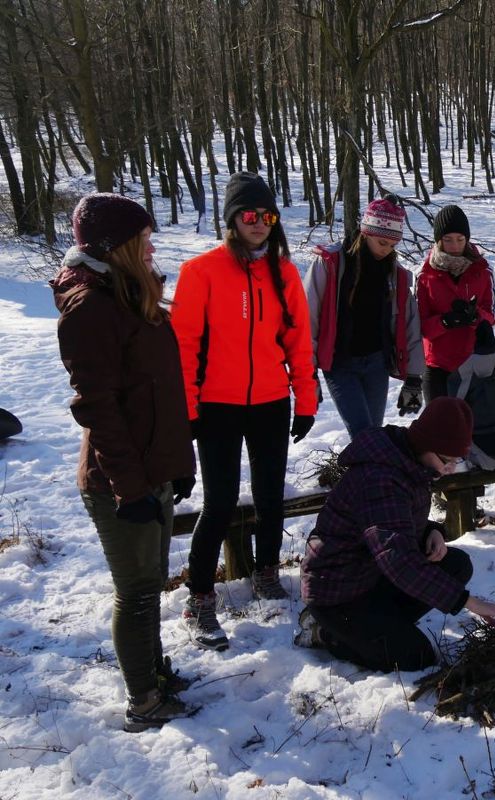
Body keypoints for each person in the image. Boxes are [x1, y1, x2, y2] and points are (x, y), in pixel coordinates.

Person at [53, 193, 197, 731]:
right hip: (119, 479)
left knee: (151, 582)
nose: (153, 245)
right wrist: (129, 489)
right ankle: (144, 699)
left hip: (152, 466)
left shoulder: (132, 294)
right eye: (143, 239)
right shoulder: (91, 310)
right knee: (136, 593)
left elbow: (160, 390)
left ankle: (155, 672)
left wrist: (178, 462)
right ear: (116, 249)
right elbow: (100, 410)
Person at [171, 172, 318, 651]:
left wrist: (306, 400)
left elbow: (298, 341)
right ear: (232, 219)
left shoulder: (284, 271)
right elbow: (184, 346)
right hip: (217, 405)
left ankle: (267, 573)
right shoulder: (202, 272)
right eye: (250, 216)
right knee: (218, 503)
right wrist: (189, 409)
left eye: (268, 216)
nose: (260, 224)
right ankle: (199, 597)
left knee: (270, 494)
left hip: (271, 402)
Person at [295, 397, 495, 671]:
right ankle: (327, 633)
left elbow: (396, 521)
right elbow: (398, 560)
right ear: (425, 443)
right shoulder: (380, 478)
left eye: (458, 460)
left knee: (455, 565)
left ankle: (379, 628)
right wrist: (473, 604)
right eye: (447, 460)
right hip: (337, 591)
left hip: (368, 575)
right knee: (416, 657)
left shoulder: (410, 461)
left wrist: (431, 530)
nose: (450, 469)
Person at [304, 195, 425, 439]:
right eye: (382, 242)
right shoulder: (330, 263)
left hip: (376, 364)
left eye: (393, 245)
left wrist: (413, 378)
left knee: (374, 433)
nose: (386, 250)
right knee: (364, 434)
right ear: (366, 232)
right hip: (340, 364)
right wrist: (307, 374)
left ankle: (367, 474)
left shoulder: (395, 274)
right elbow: (308, 319)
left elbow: (410, 323)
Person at [417, 205, 495, 403]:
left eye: (460, 239)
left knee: (473, 429)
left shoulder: (483, 272)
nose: (454, 246)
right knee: (439, 429)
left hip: (474, 361)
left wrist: (476, 315)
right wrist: (445, 321)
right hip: (437, 365)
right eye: (448, 240)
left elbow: (492, 315)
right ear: (438, 240)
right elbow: (419, 325)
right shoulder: (425, 275)